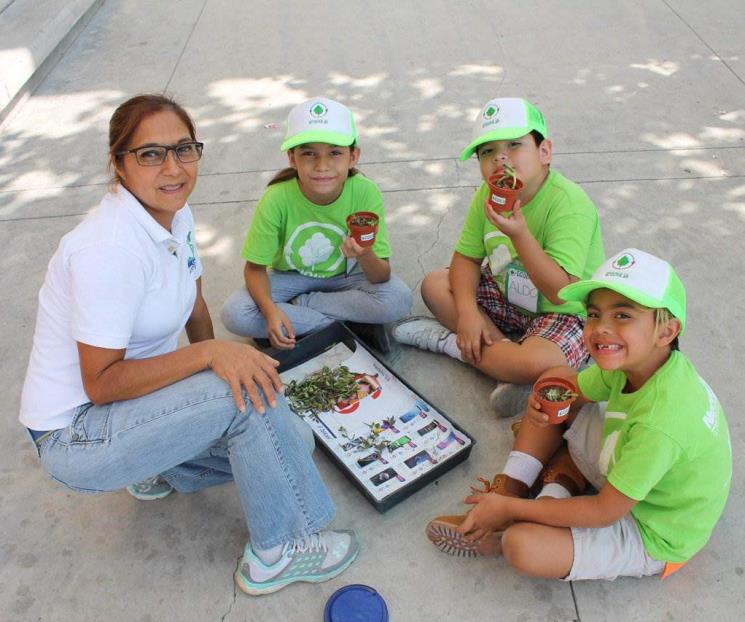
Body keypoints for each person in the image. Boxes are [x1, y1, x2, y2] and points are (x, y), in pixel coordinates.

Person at [18, 94, 358, 596]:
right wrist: (214, 361)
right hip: (78, 437)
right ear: (118, 163)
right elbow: (101, 382)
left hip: (134, 410)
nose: (173, 168)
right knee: (252, 400)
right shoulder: (108, 250)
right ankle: (279, 551)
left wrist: (219, 363)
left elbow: (195, 302)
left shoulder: (175, 214)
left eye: (184, 149)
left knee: (291, 440)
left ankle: (156, 469)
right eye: (150, 154)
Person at [425, 248, 732, 582]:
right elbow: (569, 388)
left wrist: (513, 513)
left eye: (623, 316)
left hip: (651, 528)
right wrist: (542, 407)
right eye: (594, 314)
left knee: (522, 545)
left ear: (666, 332)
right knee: (552, 383)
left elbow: (603, 512)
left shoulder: (663, 422)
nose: (600, 329)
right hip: (634, 465)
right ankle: (514, 487)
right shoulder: (638, 362)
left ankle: (515, 516)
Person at [393, 97, 604, 415]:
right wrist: (467, 313)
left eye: (514, 145)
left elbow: (561, 293)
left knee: (539, 361)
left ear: (544, 151)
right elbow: (465, 257)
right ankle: (504, 362)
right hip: (507, 293)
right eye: (487, 151)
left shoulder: (569, 204)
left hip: (563, 310)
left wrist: (520, 234)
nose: (500, 158)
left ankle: (456, 346)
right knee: (435, 284)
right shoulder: (486, 195)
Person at [221, 97, 411, 352]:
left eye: (335, 153)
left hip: (348, 276)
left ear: (353, 156)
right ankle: (349, 325)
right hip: (291, 277)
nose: (322, 166)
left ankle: (304, 315)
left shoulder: (365, 192)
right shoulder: (277, 197)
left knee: (398, 299)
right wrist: (269, 311)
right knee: (236, 313)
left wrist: (364, 254)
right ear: (292, 158)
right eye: (308, 153)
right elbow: (254, 269)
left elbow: (381, 275)